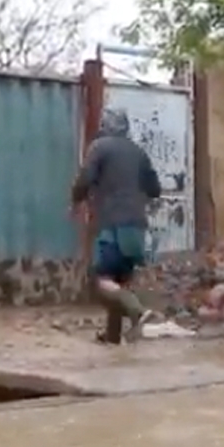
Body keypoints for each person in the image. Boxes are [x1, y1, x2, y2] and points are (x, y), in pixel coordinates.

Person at [71, 107, 163, 344]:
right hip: (136, 227)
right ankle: (112, 336)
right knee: (118, 281)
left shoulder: (100, 147)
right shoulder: (139, 152)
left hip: (112, 225)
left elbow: (85, 178)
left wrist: (75, 201)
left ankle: (138, 311)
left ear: (105, 125)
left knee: (100, 280)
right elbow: (155, 189)